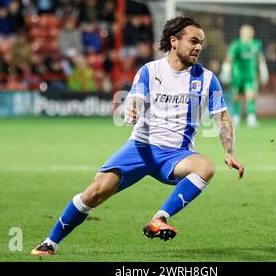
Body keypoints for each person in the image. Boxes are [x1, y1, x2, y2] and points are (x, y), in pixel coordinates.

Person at [31, 16, 245, 256]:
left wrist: (229, 152)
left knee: (205, 167)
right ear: (174, 41)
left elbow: (223, 117)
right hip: (141, 148)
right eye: (194, 41)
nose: (199, 47)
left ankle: (159, 218)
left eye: (201, 43)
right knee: (95, 192)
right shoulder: (150, 71)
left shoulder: (207, 79)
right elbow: (135, 97)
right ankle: (50, 242)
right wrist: (131, 107)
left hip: (176, 155)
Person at [222, 25, 269, 127]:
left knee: (251, 95)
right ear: (241, 33)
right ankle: (236, 117)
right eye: (245, 32)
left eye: (249, 32)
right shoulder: (236, 44)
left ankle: (251, 118)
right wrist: (226, 70)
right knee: (237, 97)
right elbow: (230, 58)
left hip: (251, 75)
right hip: (237, 75)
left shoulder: (256, 44)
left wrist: (264, 71)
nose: (248, 34)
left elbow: (260, 59)